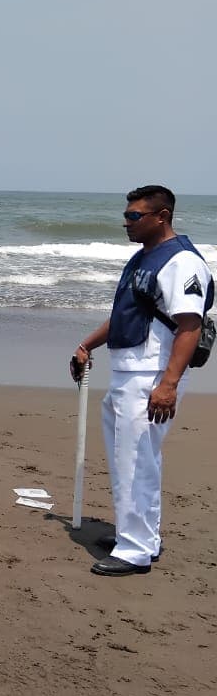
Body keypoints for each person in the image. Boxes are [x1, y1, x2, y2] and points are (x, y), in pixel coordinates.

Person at [70, 185, 213, 577]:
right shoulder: (142, 259)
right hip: (128, 369)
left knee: (136, 459)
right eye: (127, 215)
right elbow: (124, 315)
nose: (126, 222)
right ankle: (140, 537)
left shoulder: (182, 262)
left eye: (135, 216)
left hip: (152, 373)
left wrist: (168, 384)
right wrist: (86, 344)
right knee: (129, 458)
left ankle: (134, 550)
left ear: (162, 216)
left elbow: (189, 325)